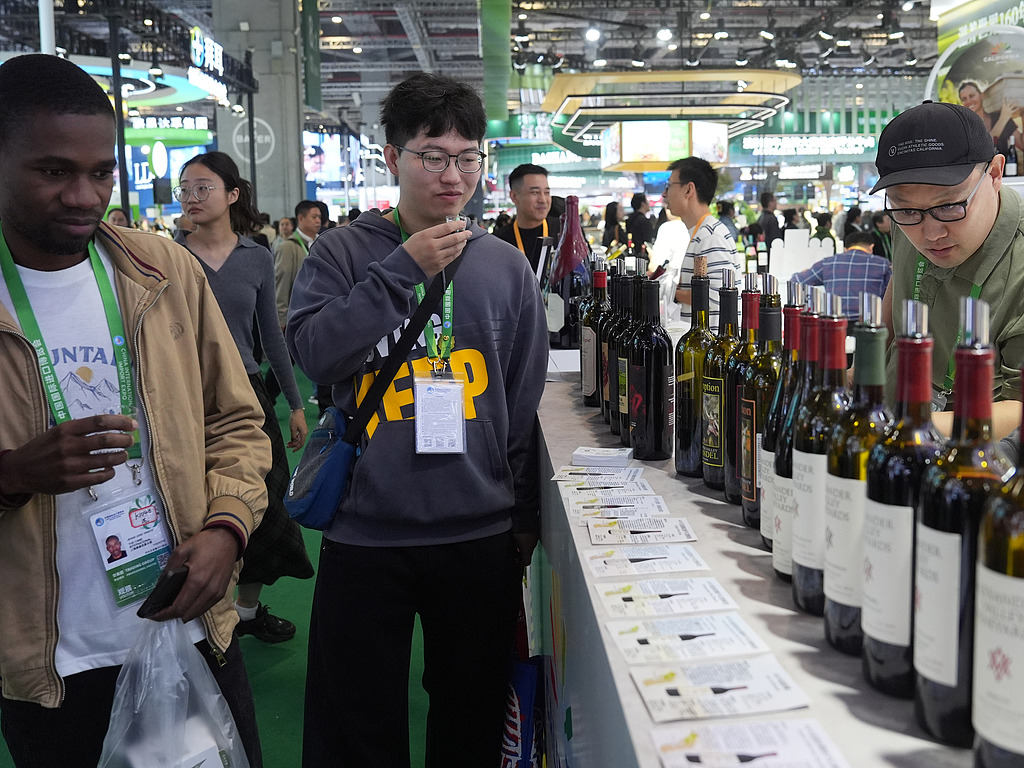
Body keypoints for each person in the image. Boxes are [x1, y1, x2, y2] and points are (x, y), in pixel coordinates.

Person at [0, 53, 270, 768]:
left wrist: (228, 527)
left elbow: (236, 422)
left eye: (101, 172)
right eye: (53, 171)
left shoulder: (162, 270)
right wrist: (12, 474)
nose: (83, 195)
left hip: (190, 624)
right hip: (52, 664)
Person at [286, 71, 548, 767]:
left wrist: (522, 514)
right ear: (392, 155)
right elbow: (315, 354)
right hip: (366, 529)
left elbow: (521, 403)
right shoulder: (343, 253)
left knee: (471, 718)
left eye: (467, 158)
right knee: (357, 726)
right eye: (432, 156)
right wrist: (400, 271)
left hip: (477, 531)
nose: (452, 176)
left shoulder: (504, 267)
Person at [175, 150, 313, 644]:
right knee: (192, 503)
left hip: (247, 393)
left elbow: (271, 337)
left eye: (203, 187)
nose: (191, 197)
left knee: (266, 501)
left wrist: (295, 404)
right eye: (185, 189)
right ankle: (200, 618)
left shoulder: (256, 256)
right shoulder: (171, 257)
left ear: (232, 194)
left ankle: (247, 611)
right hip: (183, 393)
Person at [872, 99, 1024, 438]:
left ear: (995, 174)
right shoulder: (907, 219)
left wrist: (902, 430)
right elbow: (901, 279)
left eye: (950, 206)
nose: (930, 234)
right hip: (888, 425)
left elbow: (1019, 408)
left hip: (969, 452)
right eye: (906, 210)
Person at [668, 157, 741, 330]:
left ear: (688, 189)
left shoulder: (711, 236)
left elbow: (716, 296)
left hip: (712, 343)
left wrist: (670, 293)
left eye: (669, 185)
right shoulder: (703, 232)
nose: (665, 194)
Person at [791, 230, 891, 322]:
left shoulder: (828, 263)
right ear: (871, 247)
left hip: (835, 322)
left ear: (845, 249)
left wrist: (803, 272)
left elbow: (797, 281)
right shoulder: (883, 265)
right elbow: (892, 293)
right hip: (869, 323)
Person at [495, 163, 560, 273]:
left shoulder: (564, 231)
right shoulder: (499, 242)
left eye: (547, 192)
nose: (543, 200)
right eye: (535, 192)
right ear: (514, 196)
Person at [958, 81, 1023, 159]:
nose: (968, 101)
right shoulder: (964, 127)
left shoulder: (998, 117)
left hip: (1004, 167)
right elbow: (983, 147)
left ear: (981, 95)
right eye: (964, 99)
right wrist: (1003, 119)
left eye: (971, 96)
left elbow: (1022, 145)